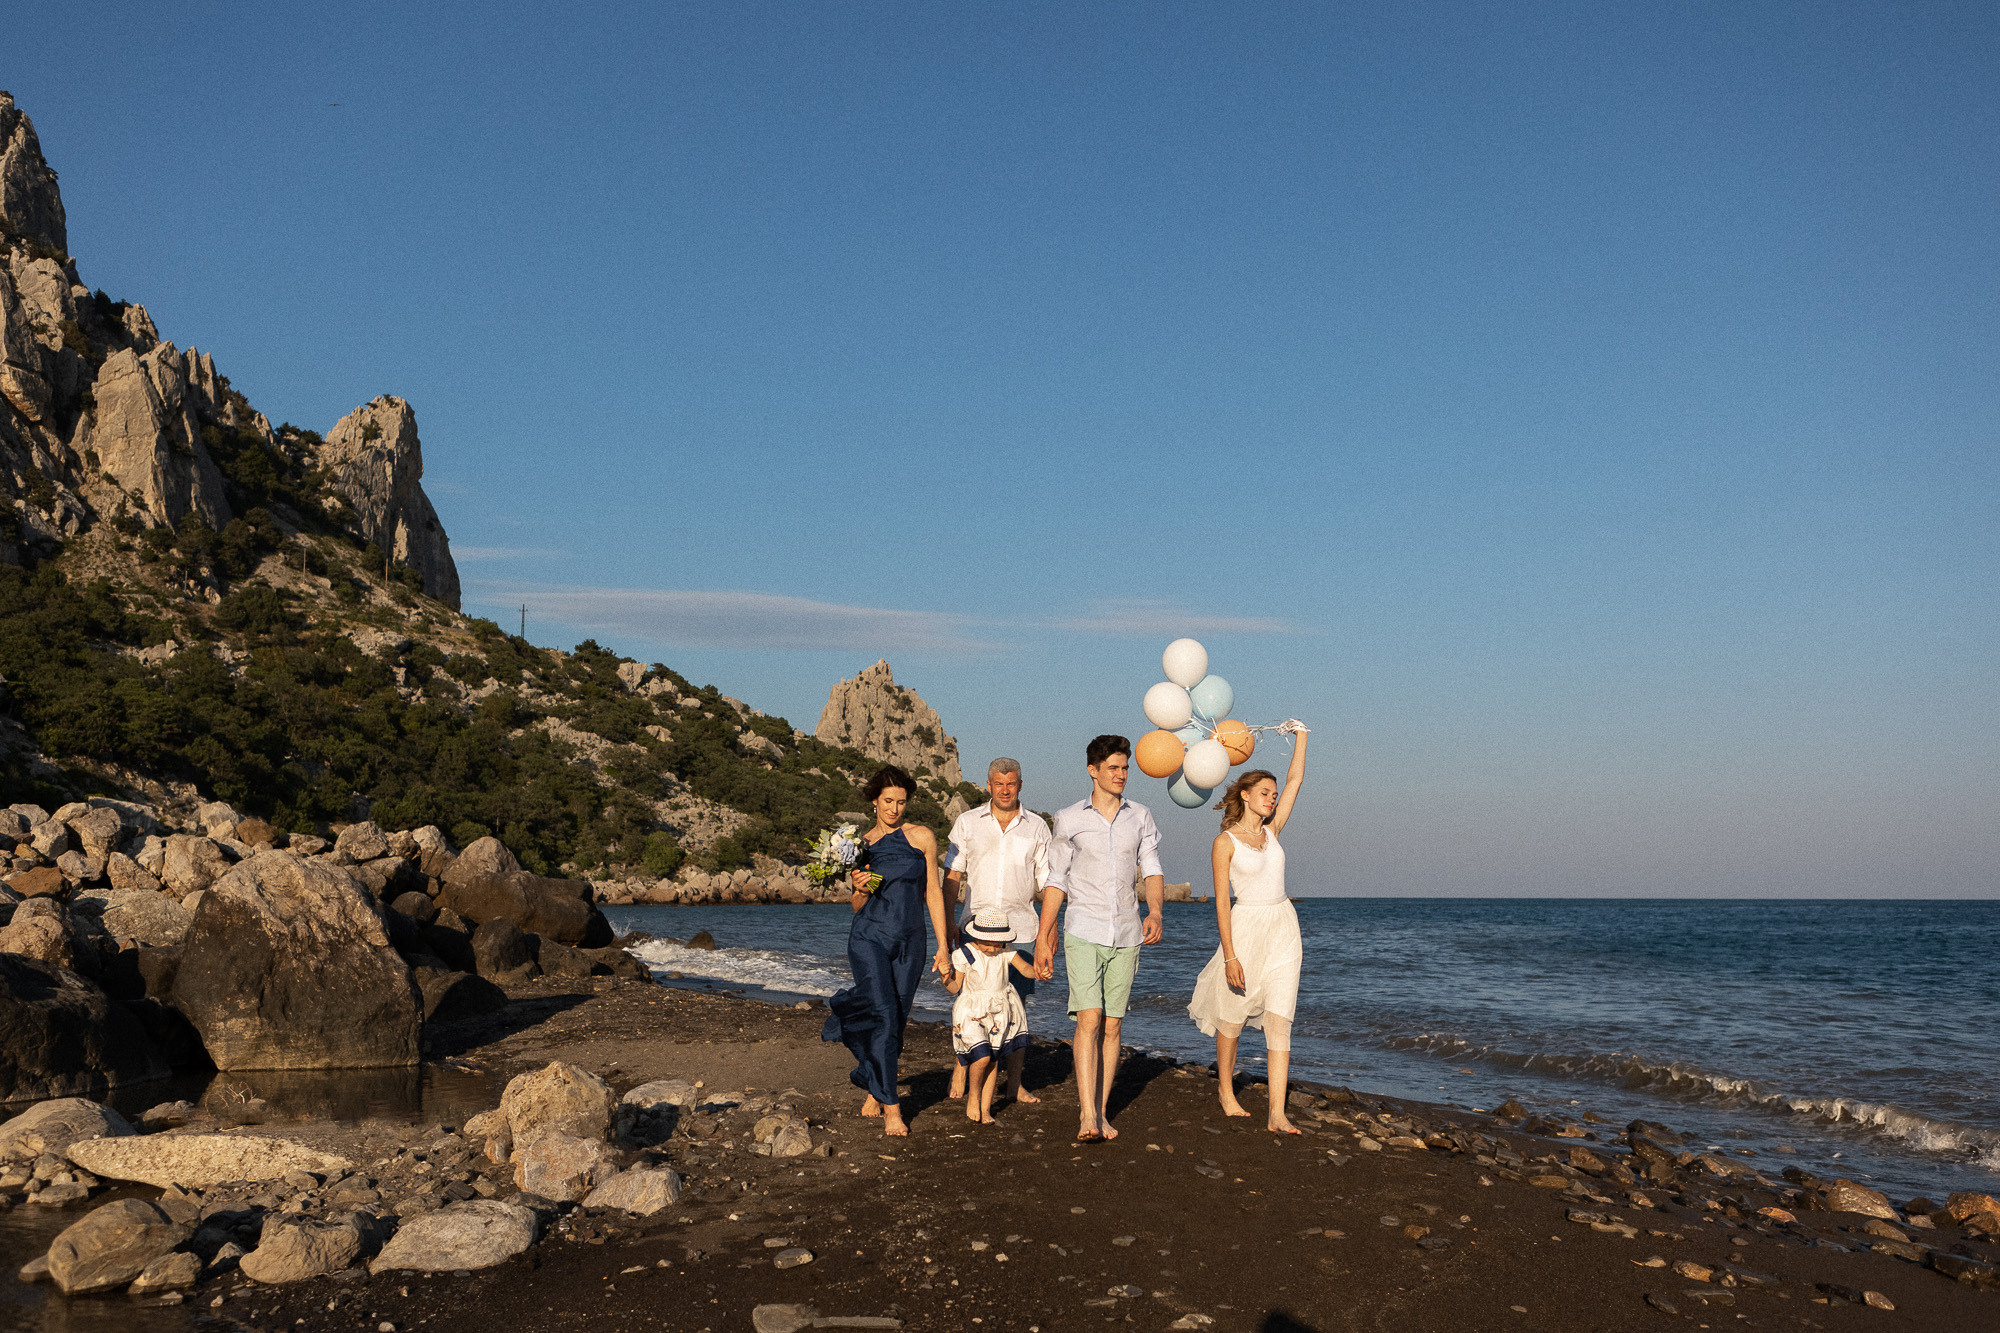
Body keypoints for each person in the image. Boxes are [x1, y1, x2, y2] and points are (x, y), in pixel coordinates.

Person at [1034, 734, 1165, 1142]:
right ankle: (1086, 1115)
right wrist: (1043, 935)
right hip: (1083, 929)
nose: (1121, 774)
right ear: (1093, 770)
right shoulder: (1069, 818)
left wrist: (1156, 910)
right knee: (1089, 1018)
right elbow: (1056, 880)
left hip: (1127, 931)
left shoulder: (1140, 815)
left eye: (1125, 768)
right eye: (1113, 768)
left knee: (1112, 1024)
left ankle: (1103, 1112)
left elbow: (1152, 867)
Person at [1187, 721, 1309, 1133]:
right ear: (1245, 794)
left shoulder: (1273, 833)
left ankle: (1277, 1112)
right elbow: (1222, 902)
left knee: (1280, 1017)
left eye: (1273, 796)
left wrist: (1302, 736)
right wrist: (1231, 955)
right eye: (1264, 793)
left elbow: (1295, 780)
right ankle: (1225, 1090)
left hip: (1283, 929)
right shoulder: (1225, 842)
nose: (1272, 800)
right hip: (1245, 929)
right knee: (1233, 1016)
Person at [821, 765, 952, 1136]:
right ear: (875, 802)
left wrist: (943, 946)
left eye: (901, 802)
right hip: (869, 938)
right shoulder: (860, 846)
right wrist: (859, 887)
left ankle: (874, 1082)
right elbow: (857, 906)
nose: (895, 809)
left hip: (911, 941)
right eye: (888, 801)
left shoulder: (922, 837)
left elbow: (932, 893)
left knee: (895, 1020)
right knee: (882, 1014)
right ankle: (893, 1106)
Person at [942, 757, 1051, 1104]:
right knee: (969, 1003)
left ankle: (1016, 1083)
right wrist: (946, 924)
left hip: (1021, 931)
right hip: (974, 930)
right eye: (998, 783)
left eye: (1012, 783)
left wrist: (1050, 933)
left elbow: (1049, 884)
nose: (1005, 790)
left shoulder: (1037, 827)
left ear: (1020, 785)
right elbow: (952, 877)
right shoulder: (967, 822)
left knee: (1015, 1010)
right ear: (988, 785)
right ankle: (962, 1068)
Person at [943, 909, 1036, 1125]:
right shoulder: (964, 954)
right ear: (976, 936)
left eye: (999, 943)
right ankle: (973, 1097)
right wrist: (945, 977)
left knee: (993, 1059)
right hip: (971, 1011)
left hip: (999, 1009)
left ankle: (985, 1109)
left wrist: (1038, 971)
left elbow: (1024, 969)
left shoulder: (1006, 951)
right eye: (990, 943)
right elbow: (955, 986)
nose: (994, 948)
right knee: (982, 1056)